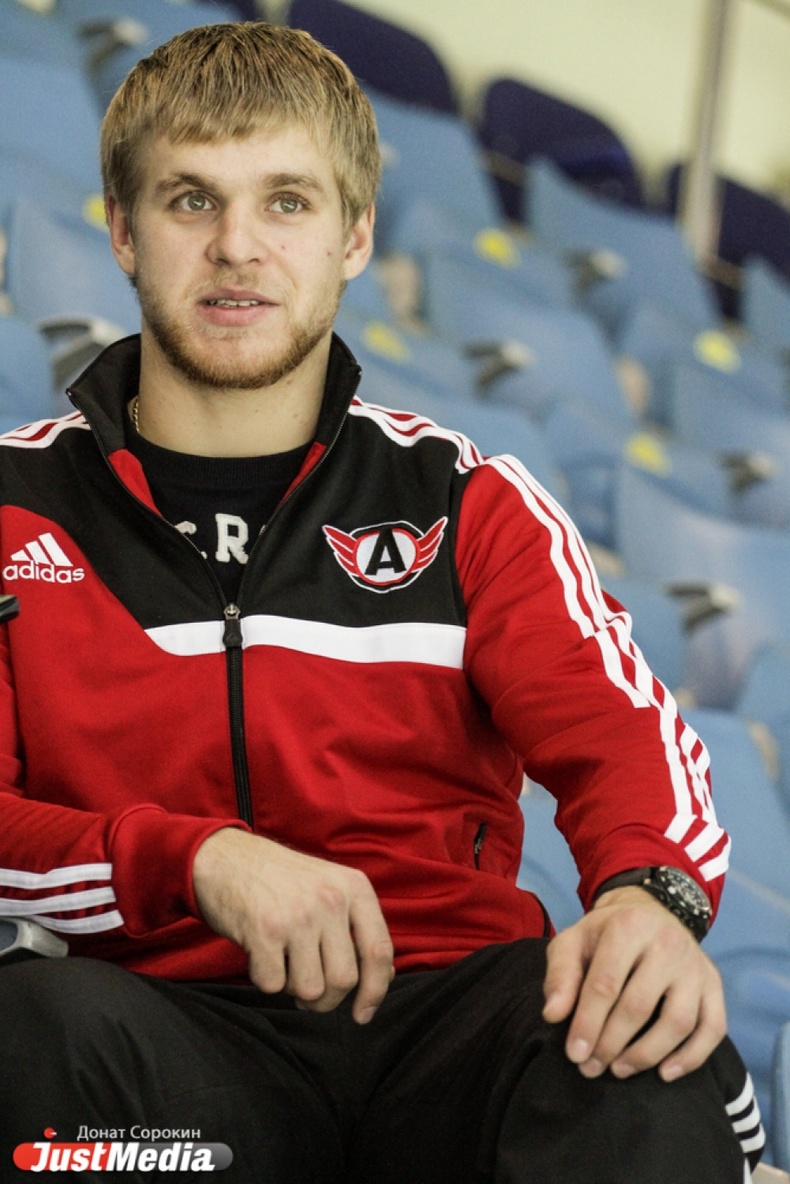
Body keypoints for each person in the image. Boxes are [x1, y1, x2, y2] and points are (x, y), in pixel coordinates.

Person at [0, 21, 765, 1183]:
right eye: (191, 199)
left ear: (355, 234)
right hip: (167, 1052)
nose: (237, 247)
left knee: (640, 1045)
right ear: (121, 230)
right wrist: (194, 857)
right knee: (27, 1035)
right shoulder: (15, 508)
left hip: (450, 1032)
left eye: (287, 202)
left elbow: (625, 738)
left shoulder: (468, 500)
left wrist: (649, 897)